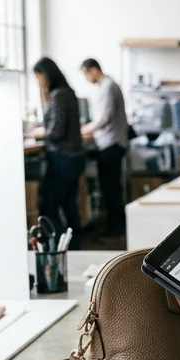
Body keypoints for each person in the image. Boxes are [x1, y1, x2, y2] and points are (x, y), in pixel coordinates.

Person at [28, 57, 85, 242]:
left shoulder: (59, 95)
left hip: (62, 158)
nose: (38, 82)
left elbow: (56, 131)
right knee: (69, 204)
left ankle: (57, 245)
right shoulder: (67, 92)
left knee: (49, 205)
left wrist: (37, 134)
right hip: (73, 158)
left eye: (38, 77)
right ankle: (74, 245)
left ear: (45, 75)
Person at [80, 58, 129, 241]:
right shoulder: (106, 86)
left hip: (112, 144)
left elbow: (104, 117)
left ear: (92, 70)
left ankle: (116, 229)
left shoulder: (108, 86)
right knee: (110, 187)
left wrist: (86, 130)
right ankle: (114, 226)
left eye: (85, 74)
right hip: (110, 142)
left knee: (110, 188)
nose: (86, 79)